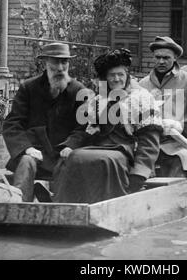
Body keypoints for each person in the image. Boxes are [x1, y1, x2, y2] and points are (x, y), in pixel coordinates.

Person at [51, 48, 163, 203]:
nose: (116, 79)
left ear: (127, 76)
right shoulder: (98, 101)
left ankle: (109, 205)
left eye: (120, 75)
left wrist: (140, 171)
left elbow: (150, 140)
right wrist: (71, 146)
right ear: (106, 79)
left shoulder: (141, 98)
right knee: (73, 157)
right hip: (99, 146)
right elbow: (87, 132)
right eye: (112, 75)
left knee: (104, 160)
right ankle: (65, 203)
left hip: (125, 151)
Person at [2, 42, 86, 202]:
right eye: (55, 62)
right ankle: (18, 206)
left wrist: (71, 146)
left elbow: (83, 127)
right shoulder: (29, 88)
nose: (60, 68)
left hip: (63, 153)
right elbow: (12, 124)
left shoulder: (78, 91)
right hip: (36, 151)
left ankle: (58, 206)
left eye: (64, 62)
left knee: (69, 164)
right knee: (26, 162)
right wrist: (27, 148)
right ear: (46, 62)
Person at [139, 36, 187, 178]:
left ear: (175, 57)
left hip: (180, 144)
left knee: (179, 165)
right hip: (149, 145)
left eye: (166, 57)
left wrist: (182, 126)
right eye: (157, 57)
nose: (161, 61)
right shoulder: (143, 84)